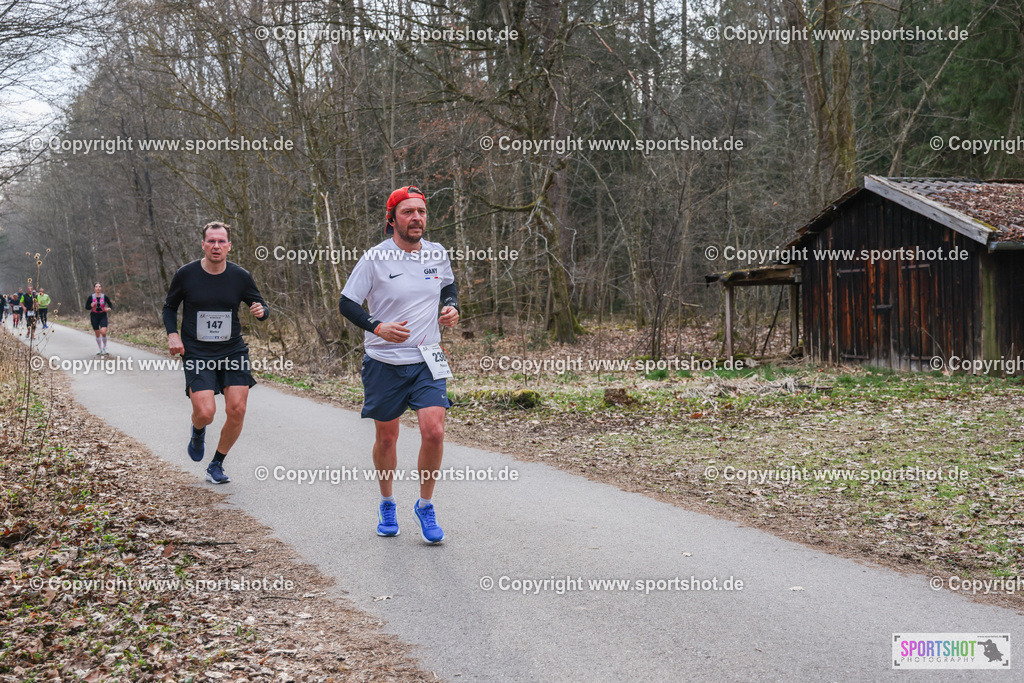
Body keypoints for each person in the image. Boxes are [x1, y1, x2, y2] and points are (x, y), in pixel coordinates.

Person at [338, 185, 459, 544]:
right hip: (384, 360)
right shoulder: (376, 258)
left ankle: (425, 505)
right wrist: (377, 327)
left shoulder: (437, 253)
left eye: (421, 211)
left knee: (434, 431)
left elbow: (449, 286)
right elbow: (347, 303)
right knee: (387, 437)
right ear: (392, 219)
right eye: (408, 212)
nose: (417, 218)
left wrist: (451, 307)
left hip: (428, 357)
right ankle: (387, 501)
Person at [163, 221, 270, 485]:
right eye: (211, 241)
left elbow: (260, 304)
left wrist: (261, 311)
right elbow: (169, 307)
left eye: (221, 241)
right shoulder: (186, 274)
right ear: (203, 244)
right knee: (206, 412)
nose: (216, 246)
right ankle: (198, 430)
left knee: (237, 409)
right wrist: (172, 334)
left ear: (229, 246)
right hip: (197, 352)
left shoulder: (240, 276)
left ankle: (216, 464)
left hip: (232, 350)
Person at [85, 283, 113, 355]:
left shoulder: (104, 296)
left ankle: (105, 347)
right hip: (94, 316)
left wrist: (108, 308)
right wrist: (90, 306)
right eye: (96, 287)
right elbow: (86, 307)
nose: (98, 288)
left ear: (101, 288)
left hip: (103, 315)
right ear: (94, 288)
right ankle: (100, 348)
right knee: (97, 333)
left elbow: (110, 304)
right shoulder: (91, 297)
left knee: (103, 332)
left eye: (99, 286)